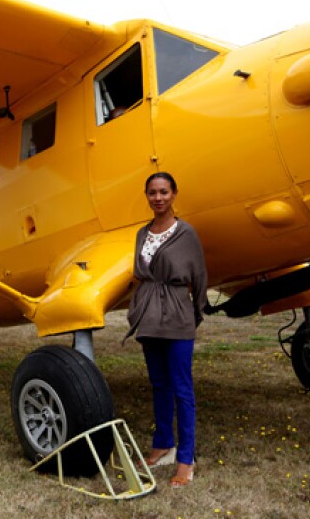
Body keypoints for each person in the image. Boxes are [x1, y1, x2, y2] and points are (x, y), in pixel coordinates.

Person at [125, 171, 208, 488]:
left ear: (174, 194)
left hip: (176, 313)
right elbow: (139, 273)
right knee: (159, 384)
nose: (157, 198)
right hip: (149, 315)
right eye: (151, 193)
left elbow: (199, 276)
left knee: (182, 388)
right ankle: (162, 444)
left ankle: (186, 458)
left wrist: (193, 313)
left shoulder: (186, 233)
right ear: (146, 196)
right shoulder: (141, 234)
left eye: (163, 192)